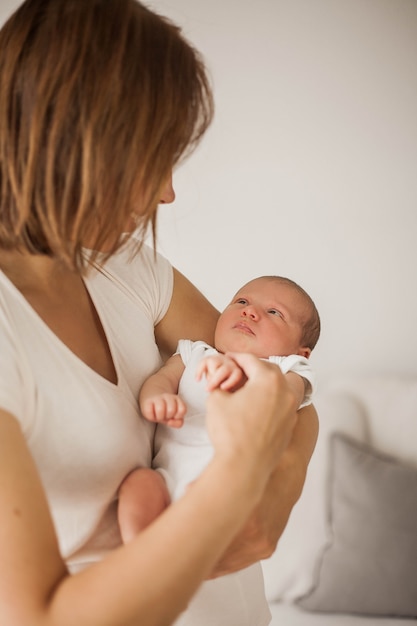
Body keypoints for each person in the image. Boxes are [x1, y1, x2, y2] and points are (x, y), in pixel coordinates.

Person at [0, 2, 319, 626]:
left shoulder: (124, 264)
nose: (168, 191)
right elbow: (40, 615)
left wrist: (280, 489)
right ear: (83, 142)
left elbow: (278, 376)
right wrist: (241, 478)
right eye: (156, 158)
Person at [118, 276, 320, 624]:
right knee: (137, 483)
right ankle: (145, 556)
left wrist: (241, 374)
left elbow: (283, 400)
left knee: (223, 592)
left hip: (224, 494)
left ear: (300, 351)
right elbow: (162, 379)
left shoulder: (285, 369)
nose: (251, 313)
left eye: (273, 312)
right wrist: (157, 397)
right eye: (242, 302)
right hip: (166, 483)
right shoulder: (195, 352)